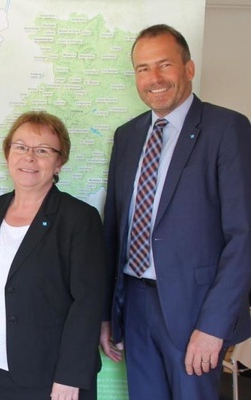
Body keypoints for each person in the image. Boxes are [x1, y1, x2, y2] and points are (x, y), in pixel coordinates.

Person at [100, 24, 251, 400]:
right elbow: (113, 228)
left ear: (188, 68)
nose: (154, 79)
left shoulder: (227, 128)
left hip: (194, 311)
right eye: (143, 68)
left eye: (164, 65)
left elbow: (243, 235)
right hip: (134, 305)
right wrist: (107, 313)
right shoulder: (127, 135)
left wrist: (214, 325)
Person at [0, 111, 106, 400]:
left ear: (59, 162)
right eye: (20, 147)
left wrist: (70, 376)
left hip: (53, 379)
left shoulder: (79, 219)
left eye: (43, 150)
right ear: (8, 154)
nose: (29, 157)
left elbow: (88, 304)